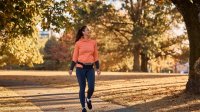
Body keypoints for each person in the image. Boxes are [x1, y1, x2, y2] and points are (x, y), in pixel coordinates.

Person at [69, 26, 101, 112]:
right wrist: (71, 68)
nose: (89, 31)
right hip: (80, 68)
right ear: (83, 32)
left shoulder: (93, 42)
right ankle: (83, 107)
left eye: (89, 30)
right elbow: (75, 56)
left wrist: (97, 68)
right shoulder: (78, 43)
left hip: (90, 68)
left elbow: (96, 56)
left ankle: (88, 98)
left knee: (91, 87)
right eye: (87, 30)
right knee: (82, 88)